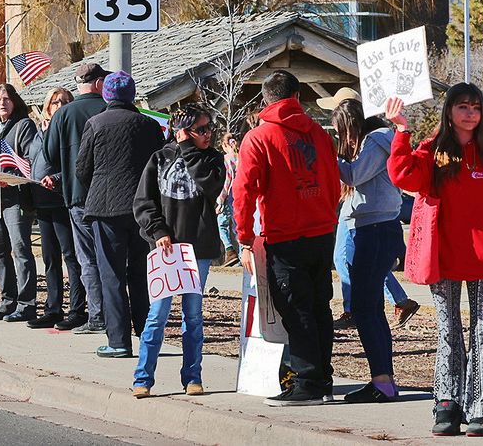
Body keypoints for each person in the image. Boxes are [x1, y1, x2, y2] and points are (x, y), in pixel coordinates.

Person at [386, 84, 483, 437]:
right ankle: (447, 404)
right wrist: (401, 131)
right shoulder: (433, 150)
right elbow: (403, 175)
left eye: (476, 107)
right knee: (448, 329)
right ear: (449, 111)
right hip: (441, 257)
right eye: (463, 106)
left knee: (482, 330)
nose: (470, 113)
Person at [232, 70, 341, 406]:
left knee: (296, 308)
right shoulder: (319, 133)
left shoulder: (259, 137)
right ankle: (321, 377)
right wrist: (326, 214)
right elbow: (334, 180)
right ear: (296, 97)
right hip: (322, 229)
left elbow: (243, 190)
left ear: (266, 100)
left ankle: (308, 382)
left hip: (285, 233)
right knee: (319, 306)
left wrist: (244, 237)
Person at [130, 103, 224, 398]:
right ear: (182, 131)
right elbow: (143, 203)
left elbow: (211, 186)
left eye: (210, 127)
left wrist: (189, 149)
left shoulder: (212, 159)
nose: (208, 133)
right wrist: (158, 232)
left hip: (198, 249)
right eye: (201, 129)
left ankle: (193, 377)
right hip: (167, 250)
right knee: (157, 314)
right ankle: (143, 378)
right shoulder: (159, 158)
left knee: (192, 315)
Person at [328, 97, 415, 403]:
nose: (340, 139)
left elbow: (354, 175)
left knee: (364, 309)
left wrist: (329, 156)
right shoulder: (376, 140)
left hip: (376, 230)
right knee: (372, 309)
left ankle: (382, 382)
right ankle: (384, 381)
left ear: (351, 124)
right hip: (374, 228)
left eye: (340, 132)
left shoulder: (376, 140)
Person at [76, 71, 165, 358]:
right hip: (142, 210)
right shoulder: (150, 125)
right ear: (132, 95)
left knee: (111, 275)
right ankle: (147, 335)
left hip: (105, 209)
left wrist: (99, 186)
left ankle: (118, 340)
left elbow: (82, 169)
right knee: (140, 274)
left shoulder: (96, 124)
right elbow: (160, 167)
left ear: (106, 95)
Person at [43, 62, 110, 333]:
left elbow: (49, 156)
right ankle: (116, 315)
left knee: (88, 259)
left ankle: (97, 317)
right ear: (99, 83)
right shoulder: (110, 108)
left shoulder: (63, 115)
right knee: (112, 258)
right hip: (111, 196)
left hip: (78, 197)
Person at [0, 83, 39, 323]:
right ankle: (7, 301)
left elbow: (30, 160)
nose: (2, 103)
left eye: (7, 99)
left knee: (21, 250)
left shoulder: (24, 126)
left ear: (15, 102)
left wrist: (9, 177)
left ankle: (26, 304)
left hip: (15, 199)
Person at [28, 87, 83, 329]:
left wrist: (57, 179)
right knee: (50, 258)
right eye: (55, 102)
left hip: (62, 199)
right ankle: (53, 309)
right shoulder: (39, 131)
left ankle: (77, 310)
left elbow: (76, 164)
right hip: (41, 200)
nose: (60, 105)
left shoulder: (71, 130)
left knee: (71, 256)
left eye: (66, 101)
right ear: (47, 107)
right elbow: (32, 161)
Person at [214, 133, 240, 266]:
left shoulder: (226, 159)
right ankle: (242, 253)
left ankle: (230, 250)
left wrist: (220, 200)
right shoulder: (241, 157)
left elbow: (228, 181)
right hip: (241, 195)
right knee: (238, 225)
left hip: (230, 196)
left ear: (224, 145)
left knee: (222, 223)